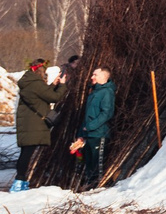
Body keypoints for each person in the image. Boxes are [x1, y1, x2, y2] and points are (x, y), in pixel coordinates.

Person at [13, 60, 65, 191]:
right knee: (27, 153)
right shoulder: (36, 84)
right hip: (33, 124)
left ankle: (20, 181)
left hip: (28, 123)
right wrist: (62, 85)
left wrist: (53, 85)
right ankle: (19, 182)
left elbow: (41, 95)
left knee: (25, 152)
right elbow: (53, 97)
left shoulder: (28, 82)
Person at [67, 66, 113, 190]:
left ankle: (97, 188)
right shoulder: (94, 92)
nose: (92, 77)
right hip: (89, 134)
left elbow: (106, 113)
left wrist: (90, 126)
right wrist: (81, 134)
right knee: (89, 163)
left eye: (95, 75)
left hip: (99, 134)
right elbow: (88, 115)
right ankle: (89, 187)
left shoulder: (107, 92)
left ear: (103, 77)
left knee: (97, 164)